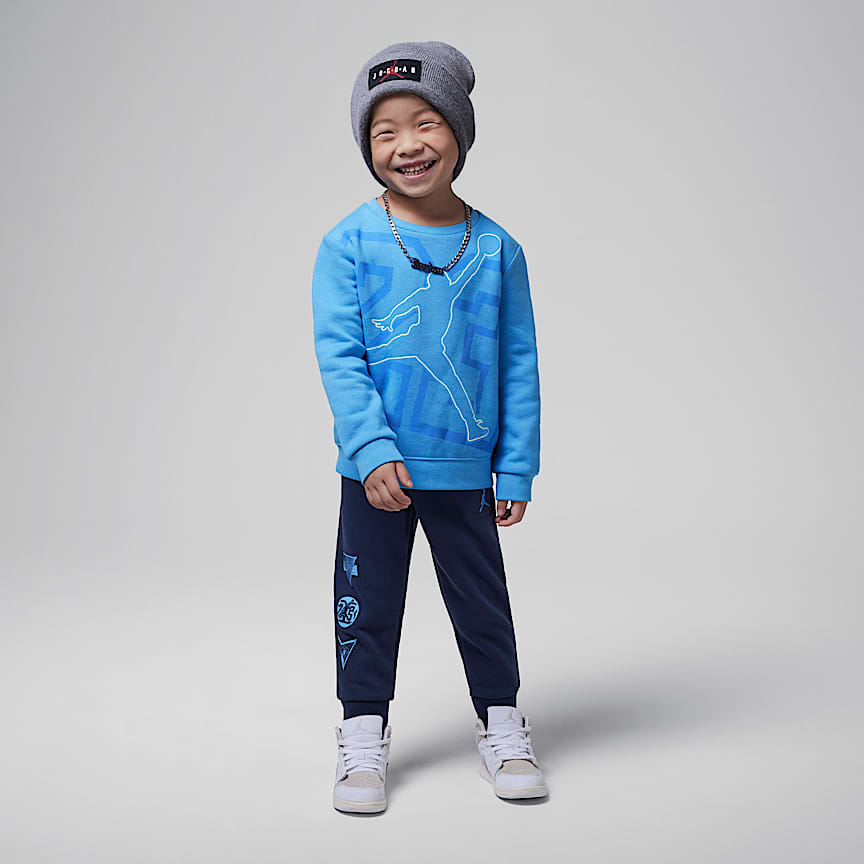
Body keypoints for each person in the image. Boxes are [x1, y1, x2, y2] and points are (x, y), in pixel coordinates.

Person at [311, 41, 546, 813]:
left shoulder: (499, 248)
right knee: (368, 601)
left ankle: (503, 724)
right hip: (375, 473)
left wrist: (516, 465)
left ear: (458, 132)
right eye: (385, 131)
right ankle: (361, 734)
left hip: (466, 468)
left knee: (482, 603)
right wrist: (370, 447)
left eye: (426, 122)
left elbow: (518, 364)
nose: (407, 144)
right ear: (367, 146)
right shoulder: (348, 243)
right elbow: (341, 355)